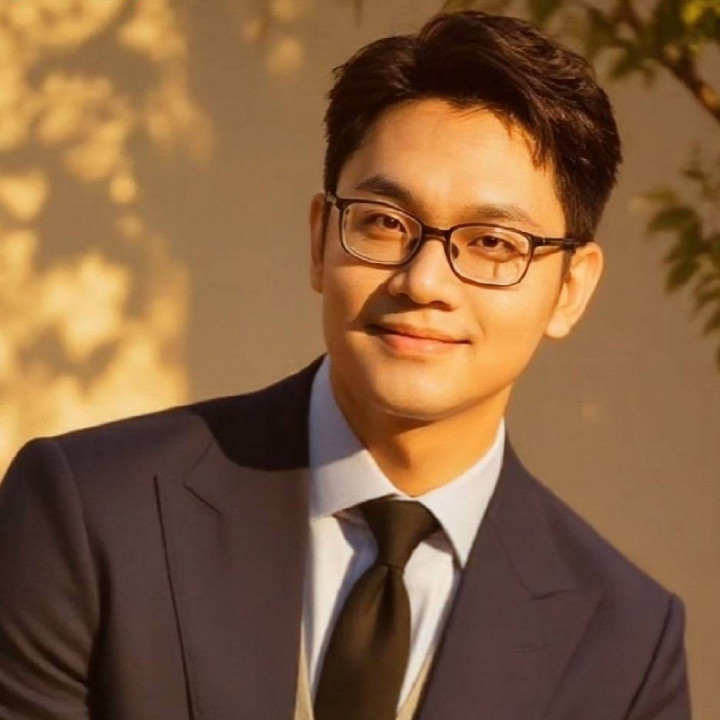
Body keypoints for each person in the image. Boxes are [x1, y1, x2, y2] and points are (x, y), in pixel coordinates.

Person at [0, 10, 690, 720]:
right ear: (319, 240)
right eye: (385, 223)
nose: (424, 282)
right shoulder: (93, 513)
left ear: (571, 289)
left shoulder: (628, 649)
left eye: (492, 242)